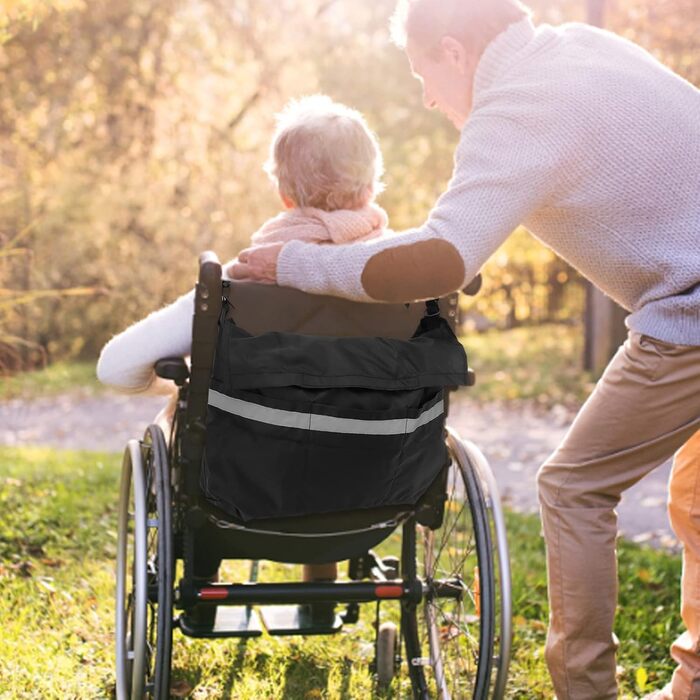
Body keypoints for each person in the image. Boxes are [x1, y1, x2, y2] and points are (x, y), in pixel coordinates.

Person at [228, 1, 700, 697]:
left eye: (423, 72)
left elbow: (441, 258)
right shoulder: (583, 49)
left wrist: (292, 264)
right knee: (695, 494)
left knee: (572, 488)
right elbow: (455, 243)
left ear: (453, 51)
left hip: (689, 313)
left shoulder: (512, 109)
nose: (425, 94)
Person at [97, 94, 387, 590]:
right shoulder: (401, 282)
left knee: (199, 423)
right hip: (372, 486)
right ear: (370, 187)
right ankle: (320, 582)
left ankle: (203, 567)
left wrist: (181, 389)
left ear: (285, 196)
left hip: (245, 489)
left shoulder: (237, 283)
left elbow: (115, 367)